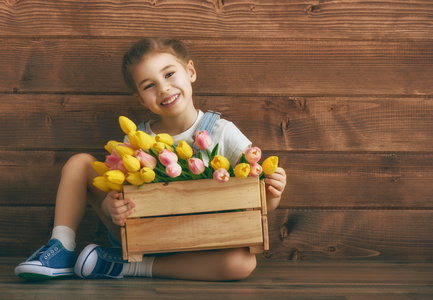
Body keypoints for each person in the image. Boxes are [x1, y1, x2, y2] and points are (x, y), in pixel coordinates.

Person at [15, 37, 287, 281]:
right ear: (141, 99)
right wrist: (113, 207)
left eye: (170, 74)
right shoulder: (136, 139)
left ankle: (128, 267)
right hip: (144, 235)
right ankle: (61, 247)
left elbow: (255, 200)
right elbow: (120, 189)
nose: (164, 88)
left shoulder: (221, 131)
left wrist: (272, 191)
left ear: (190, 72)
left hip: (203, 241)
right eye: (149, 85)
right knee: (80, 163)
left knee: (242, 264)